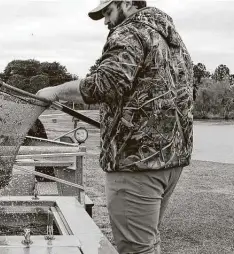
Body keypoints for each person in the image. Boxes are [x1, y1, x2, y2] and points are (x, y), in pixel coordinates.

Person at [36, 0, 194, 253]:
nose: (106, 22)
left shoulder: (130, 31)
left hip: (136, 164)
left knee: (135, 248)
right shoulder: (170, 38)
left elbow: (106, 83)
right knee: (148, 241)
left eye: (108, 12)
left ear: (129, 3)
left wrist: (55, 92)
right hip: (171, 160)